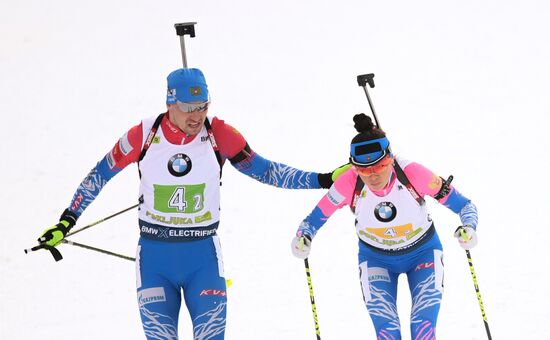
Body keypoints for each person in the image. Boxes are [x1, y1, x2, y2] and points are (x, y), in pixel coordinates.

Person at [36, 68, 338, 340]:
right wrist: (66, 221)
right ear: (170, 104)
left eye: (203, 106)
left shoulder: (219, 134)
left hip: (202, 258)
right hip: (155, 260)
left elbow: (267, 171)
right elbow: (99, 175)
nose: (197, 116)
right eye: (188, 108)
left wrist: (325, 179)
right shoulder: (144, 134)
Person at [291, 113, 479, 339]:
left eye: (379, 166)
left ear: (390, 158)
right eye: (363, 169)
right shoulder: (348, 182)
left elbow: (465, 206)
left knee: (422, 329)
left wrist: (469, 228)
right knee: (387, 333)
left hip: (423, 253)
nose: (372, 175)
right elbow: (312, 221)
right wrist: (303, 237)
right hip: (376, 259)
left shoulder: (413, 173)